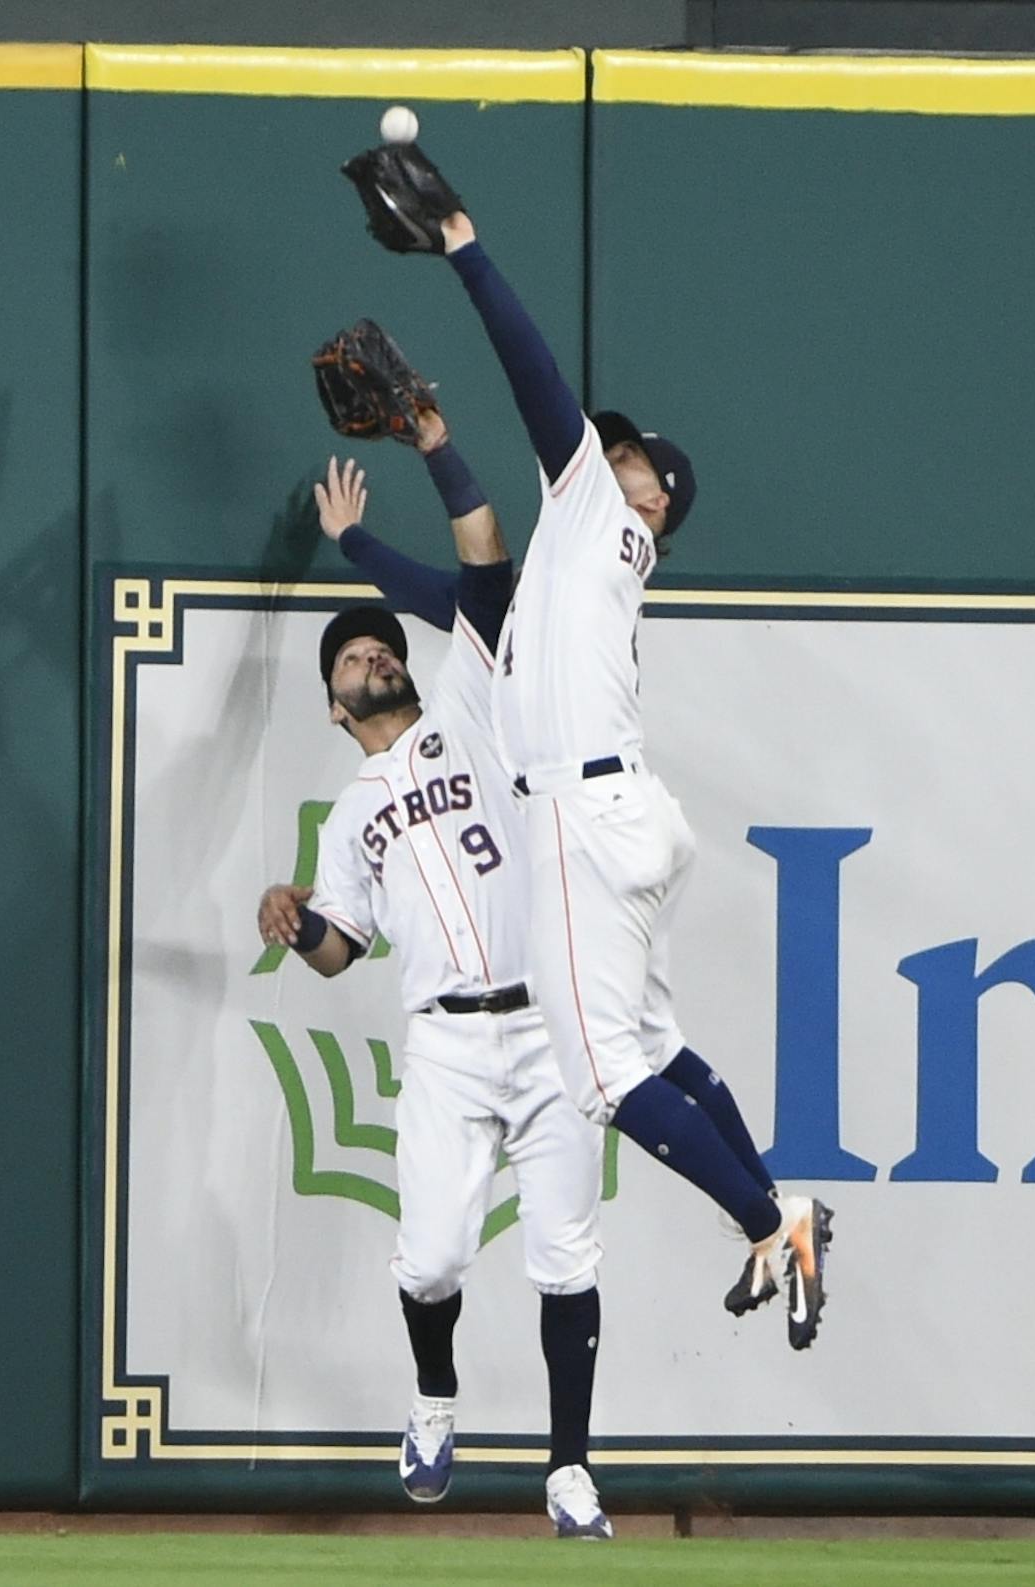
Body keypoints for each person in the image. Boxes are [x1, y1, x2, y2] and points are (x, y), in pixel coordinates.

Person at [385, 202, 835, 1351]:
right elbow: (468, 596)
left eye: (624, 457)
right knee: (657, 1049)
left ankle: (766, 1217)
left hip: (584, 819)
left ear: (651, 501)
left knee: (599, 1081)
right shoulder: (570, 570)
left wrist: (463, 245)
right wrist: (429, 451)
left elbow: (532, 374)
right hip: (624, 810)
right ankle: (783, 1201)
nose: (601, 452)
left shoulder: (598, 509)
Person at [256, 419, 614, 1539]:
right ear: (331, 705)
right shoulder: (354, 812)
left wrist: (431, 452)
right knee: (432, 1259)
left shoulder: (470, 702)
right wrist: (294, 919)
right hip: (449, 1046)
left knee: (566, 1259)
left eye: (378, 648)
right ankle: (432, 1401)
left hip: (548, 1021)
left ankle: (568, 1471)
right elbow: (338, 953)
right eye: (351, 659)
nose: (373, 657)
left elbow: (484, 556)